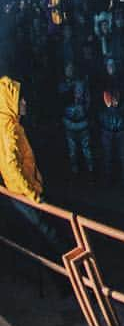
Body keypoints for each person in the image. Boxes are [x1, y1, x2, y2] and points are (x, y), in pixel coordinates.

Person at [0, 76, 65, 263]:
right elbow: (12, 167)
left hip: (19, 193)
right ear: (11, 102)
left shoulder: (8, 123)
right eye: (20, 99)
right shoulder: (9, 128)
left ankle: (65, 282)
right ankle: (73, 282)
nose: (24, 102)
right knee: (52, 238)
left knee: (44, 239)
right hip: (25, 195)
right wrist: (33, 194)